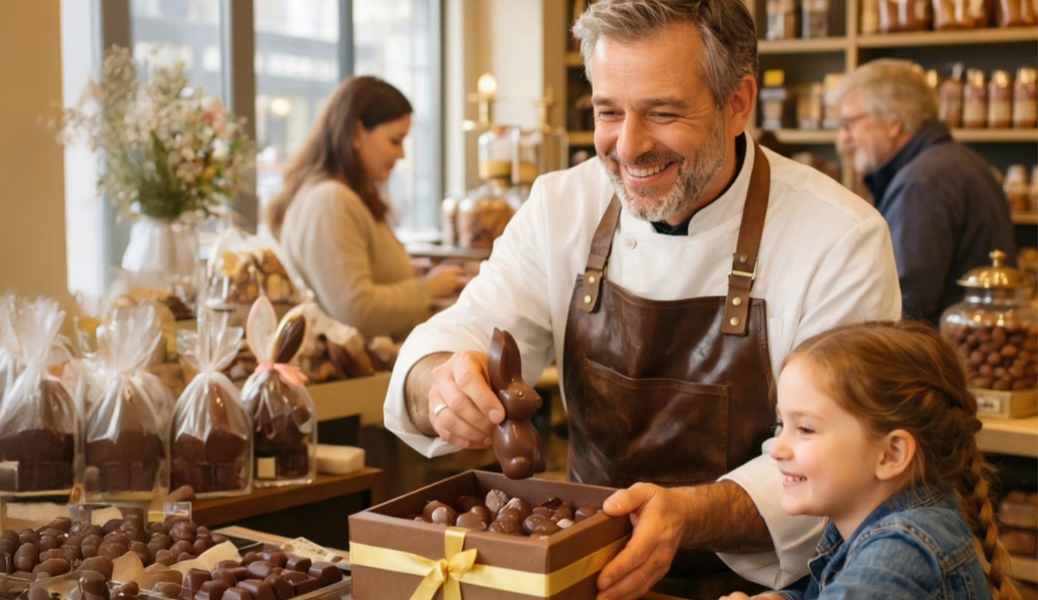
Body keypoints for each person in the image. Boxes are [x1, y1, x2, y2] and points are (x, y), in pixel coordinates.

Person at [382, 0, 903, 597]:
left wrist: (687, 516)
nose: (628, 147)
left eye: (661, 112)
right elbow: (465, 332)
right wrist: (441, 384)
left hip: (765, 586)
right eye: (609, 111)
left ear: (738, 103)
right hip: (584, 571)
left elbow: (844, 461)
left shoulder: (839, 237)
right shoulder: (562, 208)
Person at [721, 321, 1019, 600]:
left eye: (806, 429)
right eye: (781, 425)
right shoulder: (868, 520)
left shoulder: (902, 554)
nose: (778, 449)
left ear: (891, 455)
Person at [266, 76, 464, 340]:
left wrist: (408, 271)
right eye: (395, 141)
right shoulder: (332, 200)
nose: (402, 154)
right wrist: (427, 289)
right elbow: (355, 310)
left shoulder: (338, 196)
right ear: (357, 133)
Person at [832, 59, 1016, 328]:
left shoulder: (920, 184)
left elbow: (904, 307)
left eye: (849, 123)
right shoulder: (959, 161)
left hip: (947, 360)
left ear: (893, 121)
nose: (843, 138)